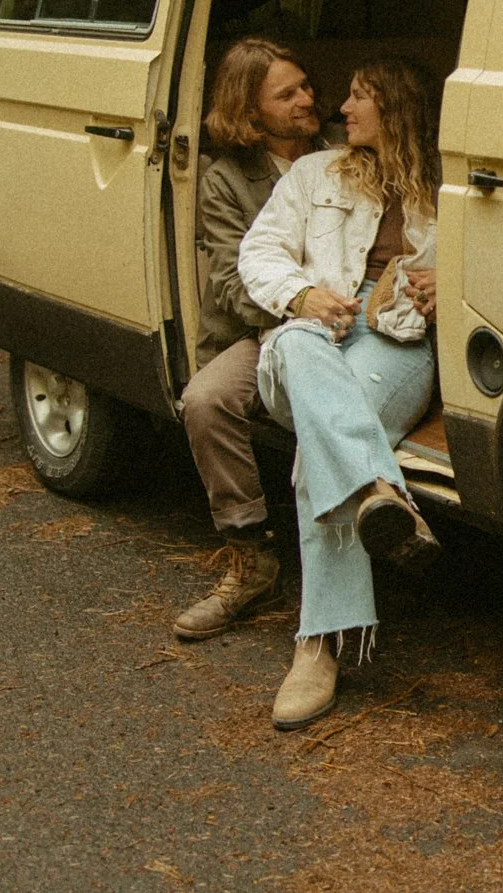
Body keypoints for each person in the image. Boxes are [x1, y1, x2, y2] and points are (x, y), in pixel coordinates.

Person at [237, 58, 442, 730]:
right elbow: (259, 251)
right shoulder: (313, 173)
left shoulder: (445, 190)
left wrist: (454, 286)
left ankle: (317, 644)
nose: (342, 107)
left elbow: (494, 268)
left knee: (318, 449)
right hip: (313, 334)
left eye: (358, 96)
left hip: (397, 338)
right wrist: (301, 294)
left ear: (394, 106)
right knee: (294, 343)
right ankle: (379, 489)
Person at [171, 38, 322, 641]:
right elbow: (234, 283)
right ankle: (251, 557)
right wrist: (300, 305)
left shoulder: (343, 146)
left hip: (354, 315)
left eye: (306, 85)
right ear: (249, 111)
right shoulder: (226, 180)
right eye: (286, 95)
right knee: (206, 401)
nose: (307, 100)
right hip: (271, 324)